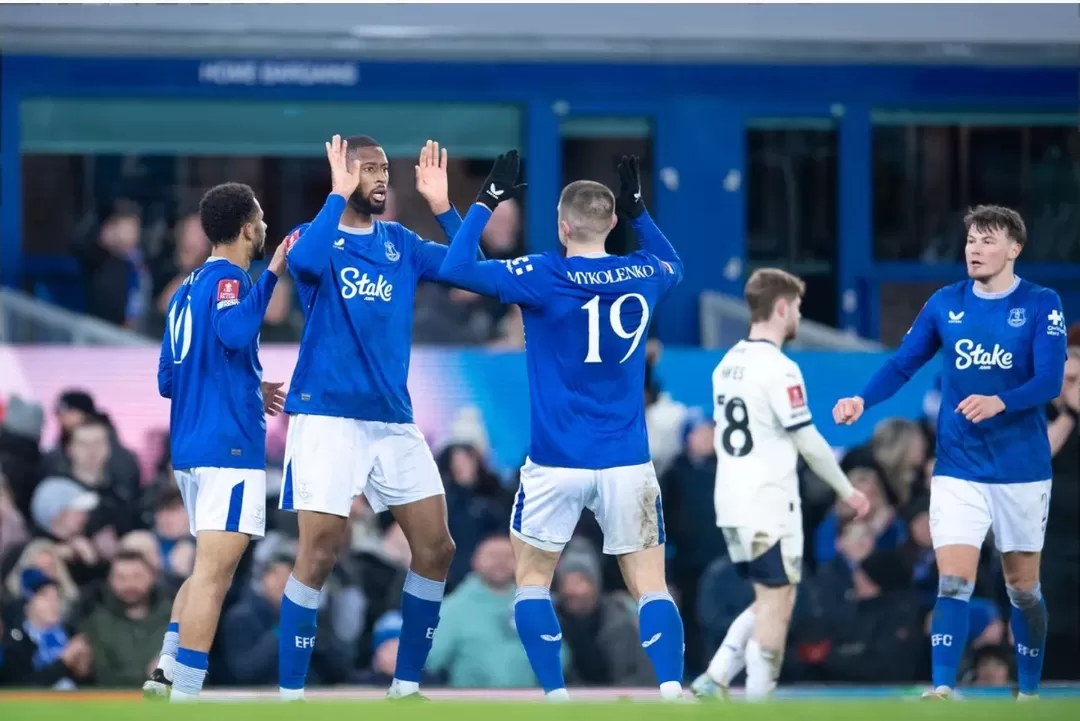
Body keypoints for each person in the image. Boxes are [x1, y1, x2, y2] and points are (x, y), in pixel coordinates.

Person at [438, 153, 686, 701]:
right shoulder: (645, 271)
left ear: (562, 225)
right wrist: (641, 211)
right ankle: (671, 691)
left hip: (556, 461)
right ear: (613, 223)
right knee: (650, 586)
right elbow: (675, 264)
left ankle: (555, 698)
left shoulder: (543, 274)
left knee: (531, 582)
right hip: (626, 459)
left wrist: (486, 201)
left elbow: (456, 269)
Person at [275, 136, 487, 701]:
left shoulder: (402, 243)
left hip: (392, 418)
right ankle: (290, 697)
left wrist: (445, 207)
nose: (380, 178)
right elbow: (305, 264)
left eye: (384, 170)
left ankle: (406, 687)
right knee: (319, 551)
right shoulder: (313, 236)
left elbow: (476, 272)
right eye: (367, 169)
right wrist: (334, 196)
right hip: (326, 417)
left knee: (438, 549)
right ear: (343, 176)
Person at [833, 205, 1067, 701]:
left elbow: (1049, 380)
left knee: (1022, 588)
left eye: (987, 241)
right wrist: (861, 399)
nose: (975, 250)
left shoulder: (1043, 303)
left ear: (1014, 249)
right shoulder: (945, 303)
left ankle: (1028, 692)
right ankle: (942, 686)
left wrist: (1001, 400)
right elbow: (902, 365)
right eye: (970, 241)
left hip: (1021, 469)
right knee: (953, 578)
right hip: (959, 468)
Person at [689, 268, 869, 701]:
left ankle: (714, 678)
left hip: (732, 499)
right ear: (782, 307)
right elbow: (807, 440)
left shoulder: (728, 362)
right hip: (767, 501)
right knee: (775, 606)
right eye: (799, 308)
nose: (799, 317)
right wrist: (848, 490)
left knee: (776, 597)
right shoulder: (780, 369)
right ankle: (757, 700)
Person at [144, 182, 288, 701]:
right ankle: (186, 694)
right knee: (215, 576)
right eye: (262, 217)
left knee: (207, 566)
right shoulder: (231, 279)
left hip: (190, 450)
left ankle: (165, 670)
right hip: (227, 448)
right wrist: (271, 276)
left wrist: (248, 386)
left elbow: (168, 378)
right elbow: (232, 333)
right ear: (248, 227)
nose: (266, 227)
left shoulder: (184, 289)